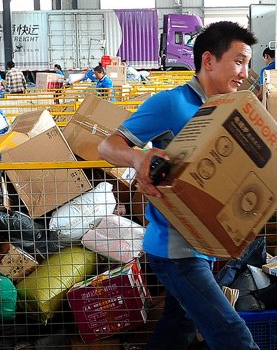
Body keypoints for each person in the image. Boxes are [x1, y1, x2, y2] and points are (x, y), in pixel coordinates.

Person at [97, 21, 259, 350]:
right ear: (209, 60)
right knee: (232, 333)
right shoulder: (172, 104)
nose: (245, 73)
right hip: (176, 248)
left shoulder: (228, 110)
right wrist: (137, 159)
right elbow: (107, 146)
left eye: (248, 64)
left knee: (179, 328)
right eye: (239, 61)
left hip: (206, 244)